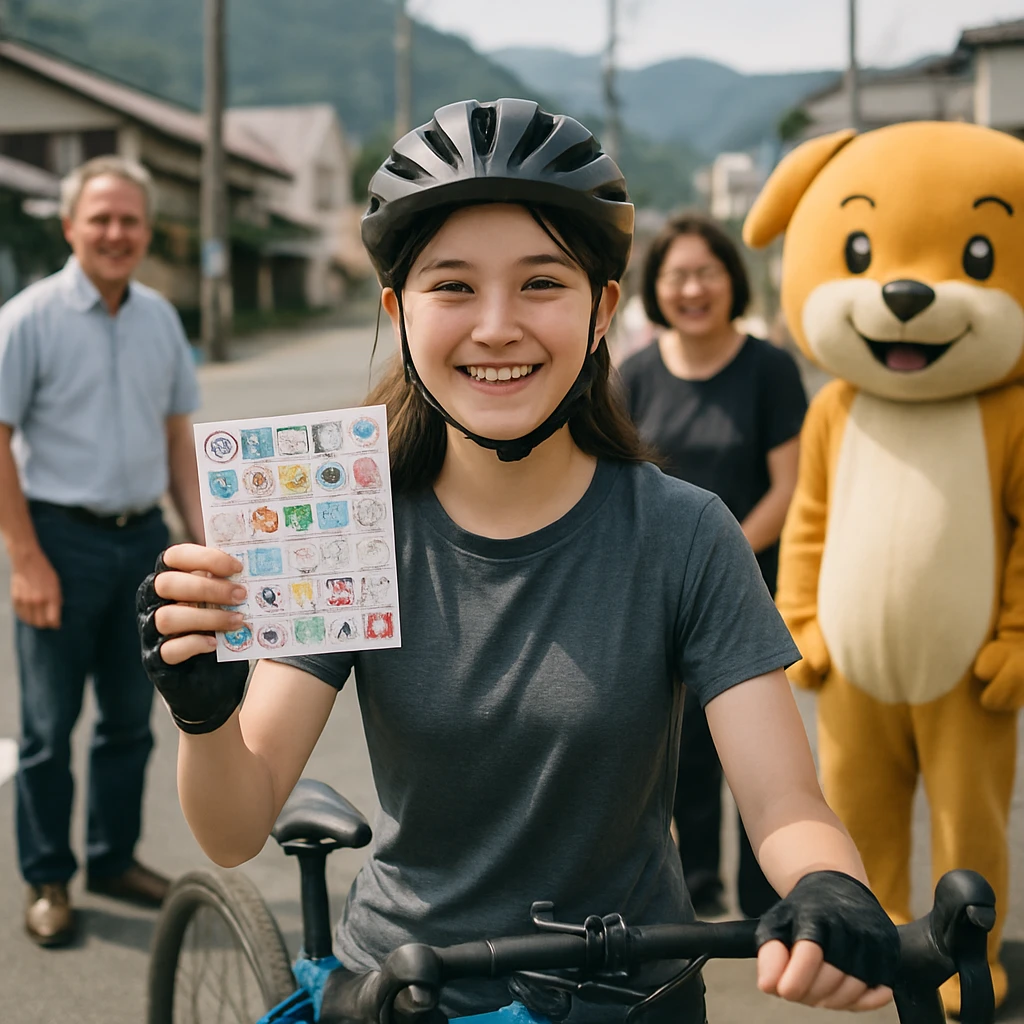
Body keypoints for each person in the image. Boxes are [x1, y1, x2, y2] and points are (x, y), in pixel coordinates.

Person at [138, 100, 897, 1023]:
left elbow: (784, 803)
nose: (497, 326)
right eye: (452, 287)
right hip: (411, 990)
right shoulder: (345, 520)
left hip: (631, 989)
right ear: (399, 311)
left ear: (604, 307)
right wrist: (204, 711)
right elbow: (232, 827)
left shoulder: (686, 533)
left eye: (542, 283)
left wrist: (830, 886)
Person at [0, 155, 204, 946]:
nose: (117, 233)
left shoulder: (159, 318)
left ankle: (112, 859)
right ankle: (48, 878)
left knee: (131, 719)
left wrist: (199, 540)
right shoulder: (29, 318)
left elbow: (176, 436)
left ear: (147, 231)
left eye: (131, 221)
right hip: (58, 538)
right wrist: (25, 558)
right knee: (51, 727)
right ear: (70, 226)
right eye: (102, 219)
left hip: (144, 543)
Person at [618, 214, 808, 923]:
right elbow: (622, 487)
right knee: (681, 743)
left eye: (706, 272)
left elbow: (788, 486)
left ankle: (769, 895)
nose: (692, 288)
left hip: (754, 583)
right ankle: (697, 883)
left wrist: (720, 558)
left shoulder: (770, 368)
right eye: (676, 276)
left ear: (732, 279)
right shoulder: (634, 376)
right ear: (654, 289)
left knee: (756, 748)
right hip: (661, 593)